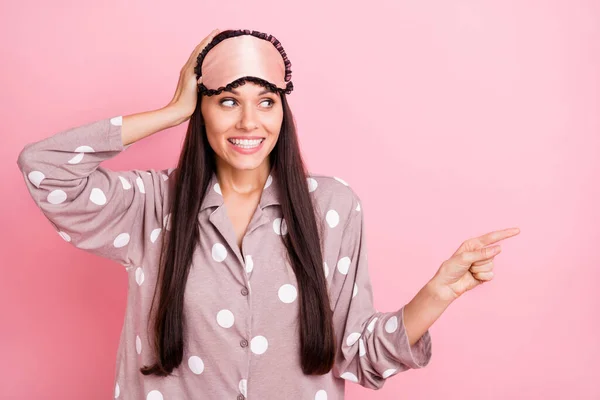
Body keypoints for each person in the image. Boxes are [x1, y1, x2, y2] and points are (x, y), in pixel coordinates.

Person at [16, 28, 520, 400]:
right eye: (228, 101)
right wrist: (172, 110)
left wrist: (438, 293)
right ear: (202, 112)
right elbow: (44, 168)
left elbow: (359, 355)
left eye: (266, 101)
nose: (249, 122)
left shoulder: (331, 207)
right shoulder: (152, 206)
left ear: (284, 110)